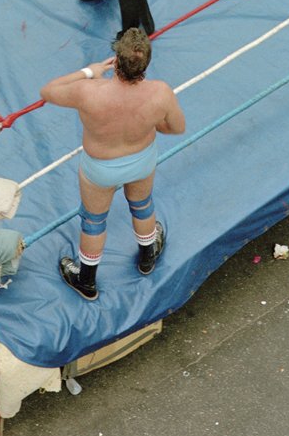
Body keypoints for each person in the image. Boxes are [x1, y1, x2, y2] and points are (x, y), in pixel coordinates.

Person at [41, 30, 183, 299]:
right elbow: (177, 127)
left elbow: (48, 91)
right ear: (145, 65)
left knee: (94, 221)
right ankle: (146, 258)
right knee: (142, 206)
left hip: (101, 167)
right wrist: (146, 124)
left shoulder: (88, 91)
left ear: (116, 62)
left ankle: (87, 281)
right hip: (141, 159)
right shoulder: (161, 92)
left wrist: (88, 72)